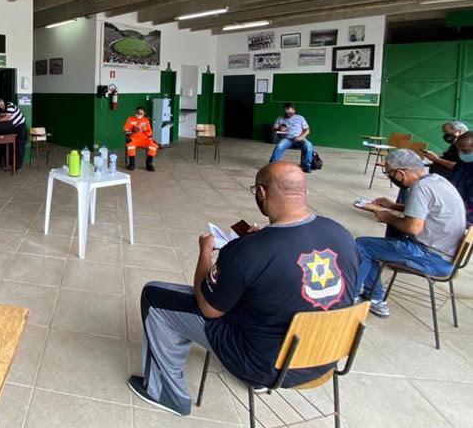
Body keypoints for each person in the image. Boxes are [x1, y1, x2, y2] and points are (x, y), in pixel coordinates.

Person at [129, 162, 358, 416]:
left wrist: (205, 251)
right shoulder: (342, 235)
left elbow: (207, 307)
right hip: (325, 356)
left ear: (261, 192)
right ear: (304, 191)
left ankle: (166, 393)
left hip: (264, 366)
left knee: (155, 296)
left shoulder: (248, 251)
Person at [356, 149, 466, 318]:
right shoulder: (437, 180)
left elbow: (413, 228)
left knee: (362, 245)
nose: (390, 177)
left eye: (389, 173)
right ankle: (374, 299)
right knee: (372, 247)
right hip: (447, 257)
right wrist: (393, 206)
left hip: (431, 258)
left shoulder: (420, 187)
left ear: (401, 173)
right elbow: (425, 210)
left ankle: (354, 298)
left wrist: (388, 218)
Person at [269, 103, 313, 172]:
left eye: (289, 111)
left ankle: (306, 165)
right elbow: (274, 128)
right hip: (287, 139)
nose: (287, 113)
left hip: (299, 138)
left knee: (308, 145)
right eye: (286, 111)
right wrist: (278, 128)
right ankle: (272, 164)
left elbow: (307, 130)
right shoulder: (280, 118)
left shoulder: (300, 118)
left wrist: (301, 137)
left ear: (293, 110)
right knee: (279, 146)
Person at [0, 99, 28, 170]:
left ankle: (18, 166)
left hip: (21, 127)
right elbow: (3, 114)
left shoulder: (10, 106)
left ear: (2, 104)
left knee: (20, 147)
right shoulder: (5, 107)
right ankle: (11, 164)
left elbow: (7, 117)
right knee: (12, 146)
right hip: (14, 128)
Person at [448, 132, 473, 226]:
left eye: (465, 151)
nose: (461, 154)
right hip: (454, 209)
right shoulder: (462, 163)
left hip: (467, 216)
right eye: (459, 150)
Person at [123, 106, 157, 172]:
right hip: (134, 139)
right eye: (138, 113)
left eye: (141, 114)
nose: (139, 115)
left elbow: (150, 132)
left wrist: (144, 130)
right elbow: (125, 130)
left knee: (153, 146)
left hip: (144, 139)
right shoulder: (130, 119)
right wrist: (132, 130)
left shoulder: (146, 120)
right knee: (130, 146)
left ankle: (149, 164)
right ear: (135, 112)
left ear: (144, 114)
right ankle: (132, 164)